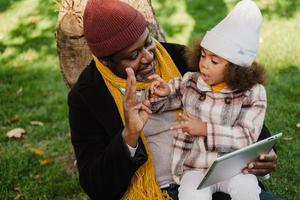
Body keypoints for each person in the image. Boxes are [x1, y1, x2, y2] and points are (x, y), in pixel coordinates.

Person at [68, 0, 278, 199]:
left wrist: (265, 153)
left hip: (220, 172)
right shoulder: (87, 96)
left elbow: (241, 107)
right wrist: (129, 135)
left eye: (148, 42)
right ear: (106, 61)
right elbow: (96, 186)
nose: (149, 57)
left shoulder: (182, 58)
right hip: (160, 191)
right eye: (133, 56)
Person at [147, 1, 278, 199]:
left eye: (214, 61)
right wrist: (162, 93)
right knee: (191, 195)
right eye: (203, 55)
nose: (204, 65)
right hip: (194, 166)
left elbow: (246, 136)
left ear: (236, 68)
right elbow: (166, 100)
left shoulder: (253, 93)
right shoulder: (191, 80)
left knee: (247, 189)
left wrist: (205, 129)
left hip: (233, 167)